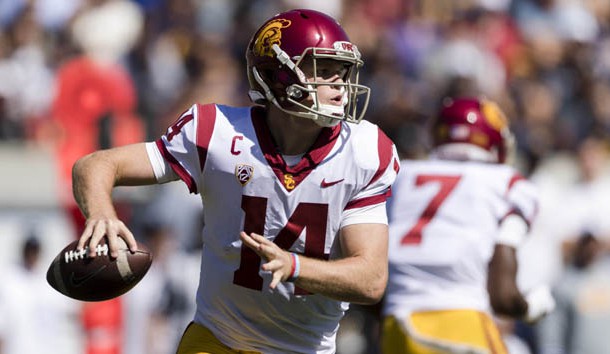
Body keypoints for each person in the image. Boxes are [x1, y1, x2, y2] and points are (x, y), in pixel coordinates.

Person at [72, 8, 399, 354]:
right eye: (323, 71)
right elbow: (95, 165)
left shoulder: (364, 150)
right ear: (277, 76)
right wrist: (101, 212)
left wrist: (294, 266)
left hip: (304, 348)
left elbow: (371, 279)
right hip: (218, 340)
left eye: (341, 72)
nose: (339, 85)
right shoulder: (217, 132)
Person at [381, 97, 555, 354]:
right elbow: (503, 296)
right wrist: (529, 307)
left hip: (395, 324)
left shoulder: (400, 176)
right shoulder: (508, 183)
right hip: (460, 322)